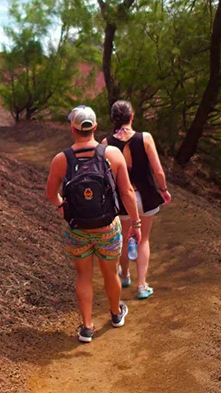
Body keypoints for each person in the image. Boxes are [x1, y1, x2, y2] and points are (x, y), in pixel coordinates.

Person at [46, 105, 142, 343]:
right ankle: (115, 314)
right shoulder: (112, 154)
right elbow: (127, 192)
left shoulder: (61, 159)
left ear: (73, 128)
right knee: (110, 274)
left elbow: (50, 193)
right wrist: (136, 224)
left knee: (83, 276)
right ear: (95, 127)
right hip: (107, 228)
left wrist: (62, 206)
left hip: (78, 229)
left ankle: (87, 327)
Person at [103, 100, 172, 300]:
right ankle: (142, 286)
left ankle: (124, 276)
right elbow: (158, 170)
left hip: (124, 198)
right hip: (147, 195)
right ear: (132, 117)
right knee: (144, 240)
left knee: (124, 239)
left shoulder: (106, 144)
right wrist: (164, 190)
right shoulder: (145, 138)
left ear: (113, 119)